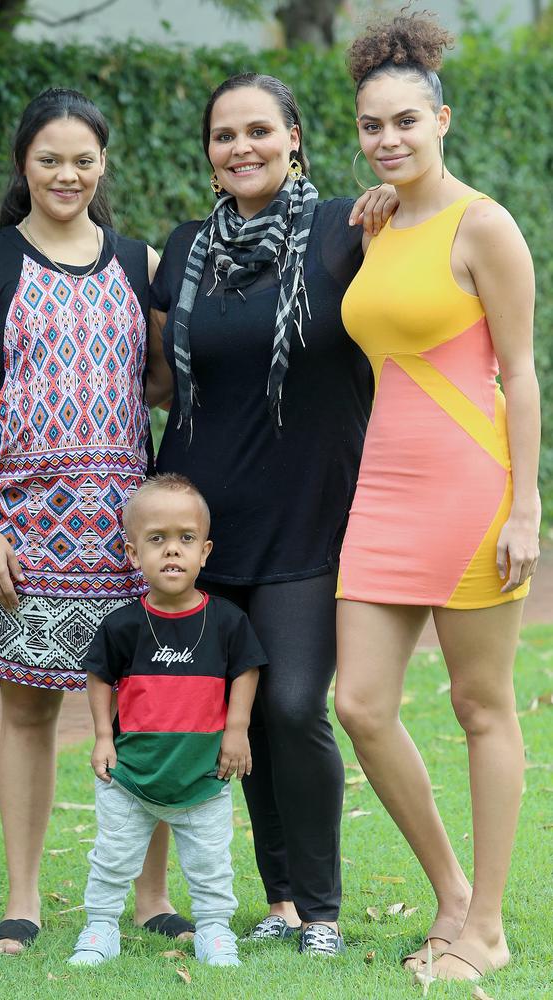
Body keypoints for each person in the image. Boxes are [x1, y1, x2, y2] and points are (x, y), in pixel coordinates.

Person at [147, 73, 398, 956]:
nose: (241, 147)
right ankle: (282, 901)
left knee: (293, 705)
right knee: (240, 717)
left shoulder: (349, 230)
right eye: (224, 135)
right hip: (206, 528)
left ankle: (322, 910)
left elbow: (421, 306)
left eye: (260, 130)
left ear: (295, 137)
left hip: (316, 516)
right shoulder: (180, 252)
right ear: (209, 155)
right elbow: (154, 383)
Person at [0, 88, 191, 954]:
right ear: (24, 165)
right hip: (22, 532)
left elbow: (160, 381)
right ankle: (24, 900)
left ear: (103, 165)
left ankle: (153, 895)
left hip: (126, 533)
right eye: (50, 157)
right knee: (28, 717)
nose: (68, 173)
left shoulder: (137, 262)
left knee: (146, 709)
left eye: (83, 158)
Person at [333, 11, 540, 984]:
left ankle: (486, 929)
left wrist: (525, 507)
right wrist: (379, 201)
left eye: (405, 122)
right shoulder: (373, 222)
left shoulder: (484, 224)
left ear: (441, 119)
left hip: (468, 493)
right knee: (360, 703)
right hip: (379, 493)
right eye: (372, 125)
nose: (388, 139)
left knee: (478, 705)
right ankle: (448, 894)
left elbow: (521, 372)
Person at [68, 473, 264, 968]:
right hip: (131, 774)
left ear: (205, 551)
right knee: (112, 858)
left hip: (204, 775)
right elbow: (98, 678)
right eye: (157, 539)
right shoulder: (123, 625)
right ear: (133, 554)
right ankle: (100, 928)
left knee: (211, 865)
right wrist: (101, 738)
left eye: (185, 539)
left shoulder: (226, 620)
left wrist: (236, 730)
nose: (172, 551)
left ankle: (215, 932)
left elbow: (246, 670)